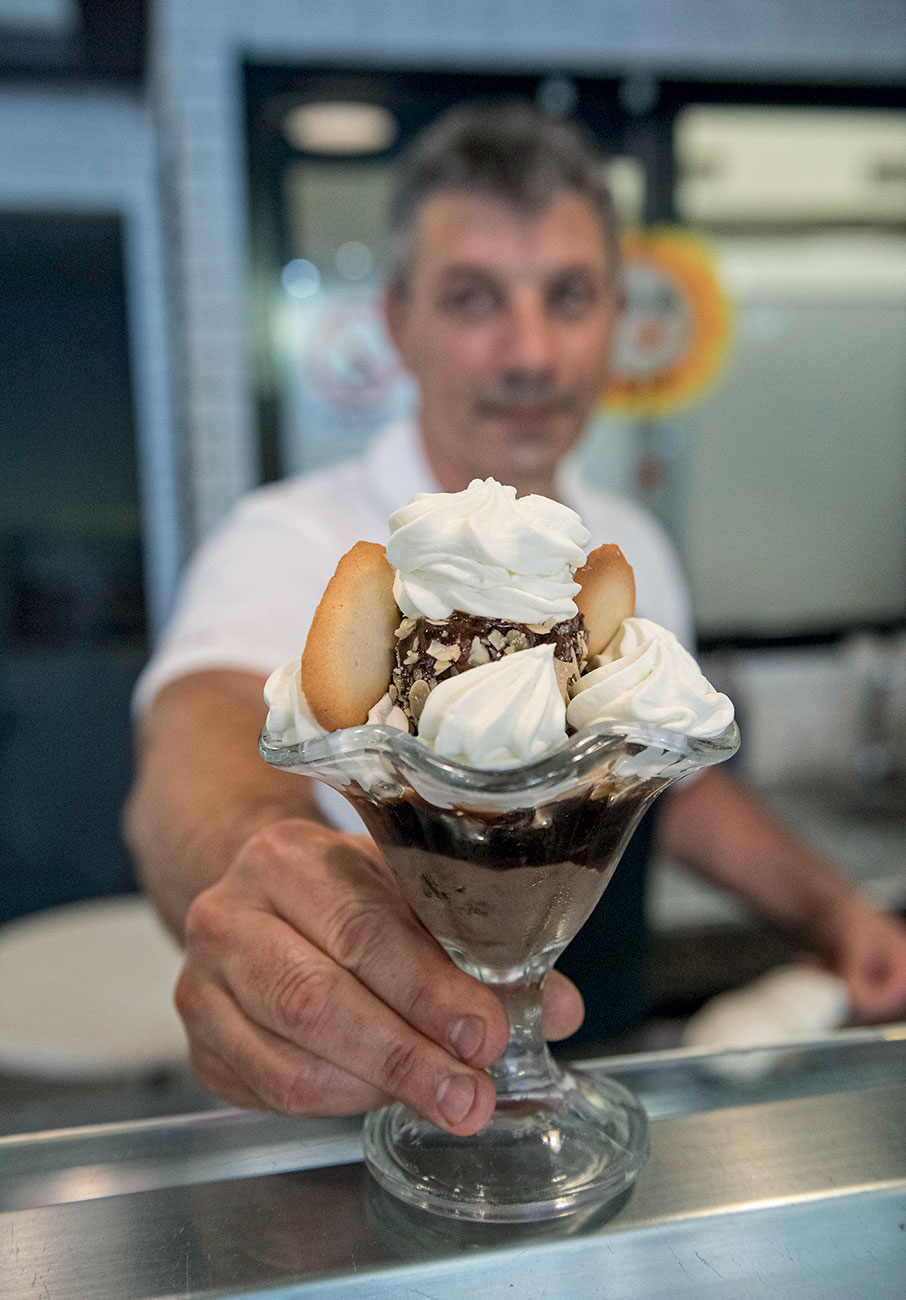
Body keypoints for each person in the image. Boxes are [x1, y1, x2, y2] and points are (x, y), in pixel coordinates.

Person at [125, 103, 906, 1136]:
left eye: (569, 297)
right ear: (399, 322)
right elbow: (196, 744)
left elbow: (681, 787)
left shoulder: (623, 548)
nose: (530, 351)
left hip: (602, 1069)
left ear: (617, 320)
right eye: (475, 299)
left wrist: (834, 910)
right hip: (365, 1095)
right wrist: (249, 872)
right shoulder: (292, 540)